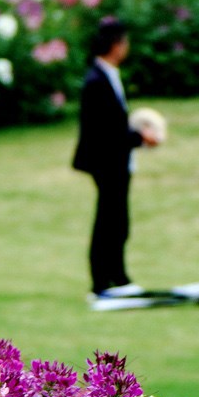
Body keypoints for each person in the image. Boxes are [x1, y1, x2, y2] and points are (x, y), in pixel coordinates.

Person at [72, 18, 162, 302]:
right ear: (115, 45)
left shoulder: (107, 76)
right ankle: (102, 281)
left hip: (116, 159)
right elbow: (106, 130)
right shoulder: (96, 81)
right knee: (109, 221)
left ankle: (118, 276)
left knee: (118, 221)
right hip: (105, 161)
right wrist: (139, 138)